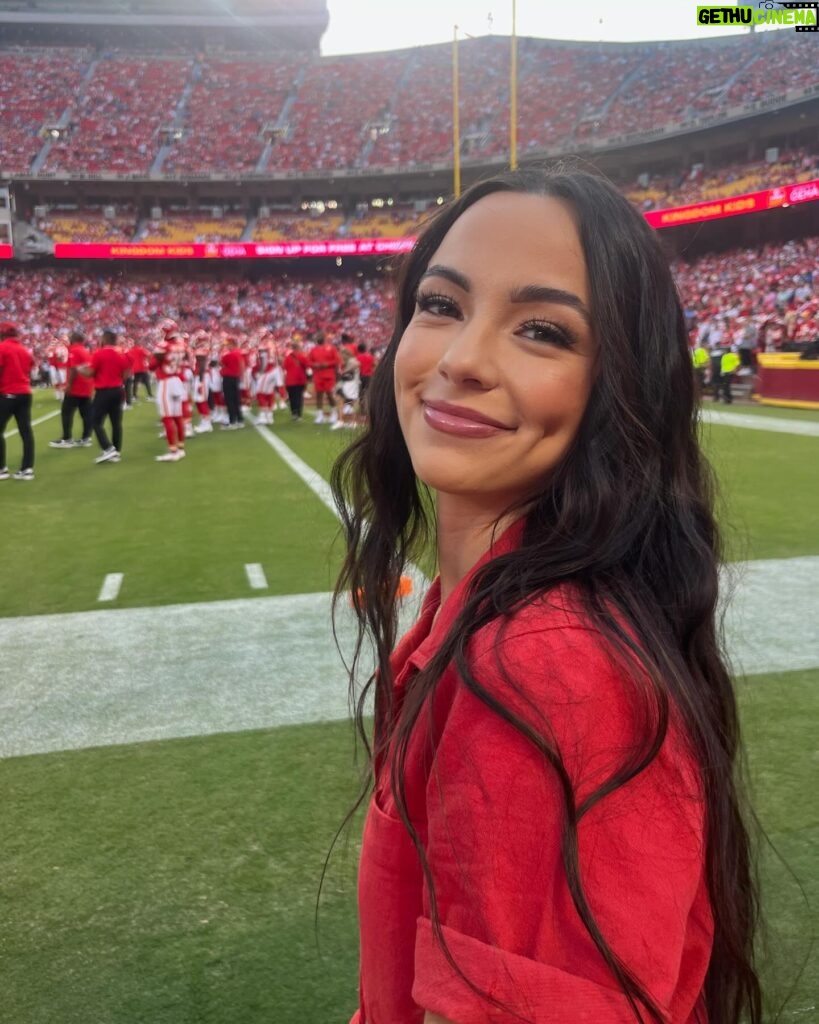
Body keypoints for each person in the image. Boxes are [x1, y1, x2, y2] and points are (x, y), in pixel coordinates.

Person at [331, 168, 761, 1024]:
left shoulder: (538, 665)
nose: (459, 361)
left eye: (540, 330)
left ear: (619, 384)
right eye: (441, 305)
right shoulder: (470, 617)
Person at [85, 327, 130, 464]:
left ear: (104, 339)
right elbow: (127, 373)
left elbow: (90, 373)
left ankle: (108, 447)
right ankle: (116, 451)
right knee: (116, 423)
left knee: (95, 421)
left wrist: (80, 370)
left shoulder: (99, 354)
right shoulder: (121, 353)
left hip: (104, 391)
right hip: (118, 390)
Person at [0, 321, 35, 480]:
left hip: (8, 394)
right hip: (25, 393)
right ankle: (27, 468)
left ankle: (2, 468)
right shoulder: (24, 350)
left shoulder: (2, 348)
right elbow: (30, 368)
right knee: (26, 431)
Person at [50, 328, 94, 449]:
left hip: (76, 387)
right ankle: (86, 438)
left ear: (74, 339)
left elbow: (74, 369)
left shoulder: (74, 350)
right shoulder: (85, 350)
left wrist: (68, 385)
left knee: (66, 412)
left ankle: (67, 438)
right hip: (86, 386)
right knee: (86, 413)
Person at [308, 330, 342, 425]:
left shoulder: (331, 348)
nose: (318, 338)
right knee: (319, 395)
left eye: (319, 337)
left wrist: (327, 364)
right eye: (317, 337)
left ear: (324, 338)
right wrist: (315, 365)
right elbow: (309, 362)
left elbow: (337, 360)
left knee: (330, 394)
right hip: (318, 375)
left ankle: (334, 413)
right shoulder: (313, 349)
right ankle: (319, 415)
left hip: (329, 375)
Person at [283, 336, 309, 421]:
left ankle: (294, 413)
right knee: (299, 397)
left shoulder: (287, 357)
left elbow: (285, 367)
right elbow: (307, 366)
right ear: (298, 348)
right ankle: (299, 414)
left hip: (290, 380)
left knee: (292, 397)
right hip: (300, 379)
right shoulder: (302, 356)